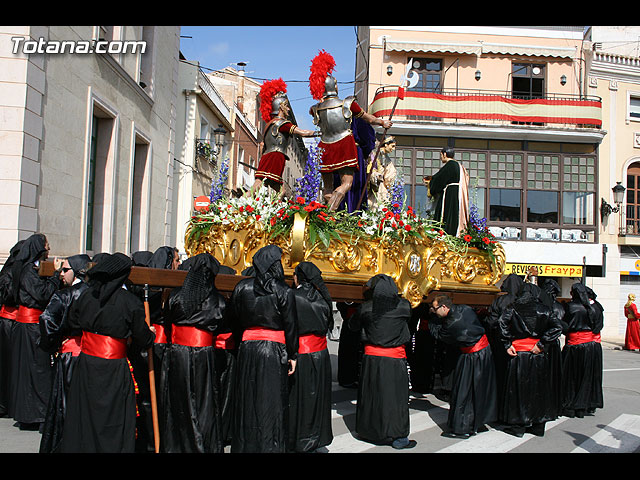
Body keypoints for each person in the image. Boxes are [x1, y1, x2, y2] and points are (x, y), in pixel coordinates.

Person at [60, 253, 156, 453]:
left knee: (87, 414)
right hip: (113, 368)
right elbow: (143, 338)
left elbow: (73, 321)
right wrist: (150, 334)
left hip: (87, 364)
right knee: (113, 417)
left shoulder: (86, 295)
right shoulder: (129, 302)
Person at [228, 245, 298, 453]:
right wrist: (293, 354)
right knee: (272, 401)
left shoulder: (242, 287)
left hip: (248, 348)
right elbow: (291, 325)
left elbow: (233, 318)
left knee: (248, 399)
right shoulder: (284, 291)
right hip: (273, 350)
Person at [309, 50, 392, 211]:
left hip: (325, 146)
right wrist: (382, 122)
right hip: (344, 145)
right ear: (336, 86)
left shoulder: (315, 109)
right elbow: (368, 118)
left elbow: (311, 111)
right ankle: (330, 213)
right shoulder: (347, 104)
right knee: (346, 183)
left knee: (327, 187)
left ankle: (327, 214)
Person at [161, 252, 227, 453]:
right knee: (203, 404)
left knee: (178, 402)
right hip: (203, 356)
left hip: (178, 354)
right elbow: (222, 324)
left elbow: (167, 320)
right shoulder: (218, 301)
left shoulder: (175, 297)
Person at [348, 274, 415, 449]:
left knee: (372, 396)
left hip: (372, 359)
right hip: (394, 359)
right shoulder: (404, 307)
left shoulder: (366, 308)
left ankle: (369, 431)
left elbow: (352, 326)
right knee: (396, 398)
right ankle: (398, 436)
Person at [38, 254, 91, 453]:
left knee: (65, 406)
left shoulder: (65, 295)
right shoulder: (94, 293)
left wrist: (52, 343)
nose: (61, 273)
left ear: (76, 271)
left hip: (70, 357)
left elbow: (47, 320)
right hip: (90, 356)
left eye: (65, 269)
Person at [129, 245, 178, 452]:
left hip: (158, 344)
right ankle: (150, 441)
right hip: (153, 346)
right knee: (151, 395)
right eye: (176, 260)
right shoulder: (155, 289)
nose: (178, 264)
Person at [498, 284, 563, 437]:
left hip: (520, 354)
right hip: (536, 355)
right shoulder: (544, 309)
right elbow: (557, 327)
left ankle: (519, 425)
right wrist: (541, 344)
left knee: (518, 390)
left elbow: (501, 324)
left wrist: (507, 344)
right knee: (538, 389)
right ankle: (538, 425)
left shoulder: (512, 308)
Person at [429, 293, 497, 438]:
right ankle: (477, 422)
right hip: (483, 352)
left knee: (464, 391)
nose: (434, 311)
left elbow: (439, 335)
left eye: (435, 309)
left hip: (473, 356)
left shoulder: (452, 324)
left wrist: (433, 319)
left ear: (444, 307)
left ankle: (463, 427)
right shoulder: (465, 308)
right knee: (478, 389)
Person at [9, 233, 58, 431]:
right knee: (38, 370)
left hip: (27, 325)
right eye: (46, 245)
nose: (49, 249)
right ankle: (35, 414)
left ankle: (30, 415)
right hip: (30, 326)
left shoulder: (27, 268)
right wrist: (55, 278)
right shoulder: (28, 270)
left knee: (31, 370)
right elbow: (42, 294)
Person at [288, 261, 333, 452]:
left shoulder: (293, 297)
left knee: (300, 399)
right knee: (318, 399)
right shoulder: (323, 298)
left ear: (298, 277)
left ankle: (299, 440)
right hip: (321, 354)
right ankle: (316, 438)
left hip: (303, 355)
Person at [251, 78, 318, 196]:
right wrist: (320, 133)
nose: (288, 109)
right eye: (286, 106)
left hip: (269, 155)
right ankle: (240, 202)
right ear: (281, 107)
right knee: (259, 185)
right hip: (276, 156)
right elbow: (302, 132)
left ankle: (273, 209)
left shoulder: (269, 125)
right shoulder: (283, 124)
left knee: (280, 190)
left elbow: (263, 146)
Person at [561, 282, 604, 419]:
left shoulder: (571, 307)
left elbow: (565, 326)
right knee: (589, 376)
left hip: (575, 345)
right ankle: (586, 404)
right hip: (592, 346)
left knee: (572, 377)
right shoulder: (597, 307)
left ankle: (572, 405)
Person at [485, 273, 524, 415]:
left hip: (500, 341)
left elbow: (491, 321)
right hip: (519, 343)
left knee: (499, 373)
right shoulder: (522, 300)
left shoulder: (500, 301)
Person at [0, 240, 25, 418]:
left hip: (18, 322)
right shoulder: (8, 272)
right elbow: (8, 296)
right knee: (7, 365)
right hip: (8, 323)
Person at [425, 147, 470, 236]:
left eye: (441, 155)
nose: (441, 157)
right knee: (454, 215)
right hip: (457, 194)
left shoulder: (450, 165)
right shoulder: (459, 166)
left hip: (450, 194)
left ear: (444, 154)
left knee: (446, 216)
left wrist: (430, 181)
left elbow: (439, 179)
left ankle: (444, 234)